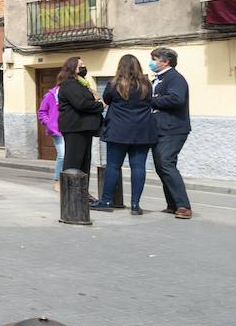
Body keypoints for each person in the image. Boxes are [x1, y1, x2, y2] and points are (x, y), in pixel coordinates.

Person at [93, 54, 157, 215]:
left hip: (118, 131)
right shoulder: (146, 85)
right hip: (142, 131)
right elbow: (150, 101)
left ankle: (106, 201)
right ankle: (135, 205)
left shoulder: (114, 85)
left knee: (113, 166)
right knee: (138, 167)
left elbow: (106, 100)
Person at [149, 47, 194, 219]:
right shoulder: (158, 79)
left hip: (173, 129)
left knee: (166, 163)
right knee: (161, 166)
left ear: (165, 61)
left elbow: (176, 99)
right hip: (159, 129)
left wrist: (151, 101)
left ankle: (184, 206)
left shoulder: (175, 78)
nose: (152, 62)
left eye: (154, 59)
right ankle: (173, 204)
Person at [56, 57, 101, 178]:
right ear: (73, 68)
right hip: (75, 128)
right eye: (80, 65)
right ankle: (71, 194)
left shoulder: (80, 84)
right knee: (74, 163)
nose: (83, 67)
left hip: (82, 128)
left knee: (84, 164)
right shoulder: (69, 84)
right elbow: (81, 104)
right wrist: (100, 105)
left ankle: (82, 192)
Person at [37, 85, 64, 192]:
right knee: (62, 155)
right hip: (56, 130)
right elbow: (42, 112)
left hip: (70, 128)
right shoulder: (50, 95)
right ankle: (57, 180)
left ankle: (66, 179)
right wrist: (49, 123)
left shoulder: (70, 94)